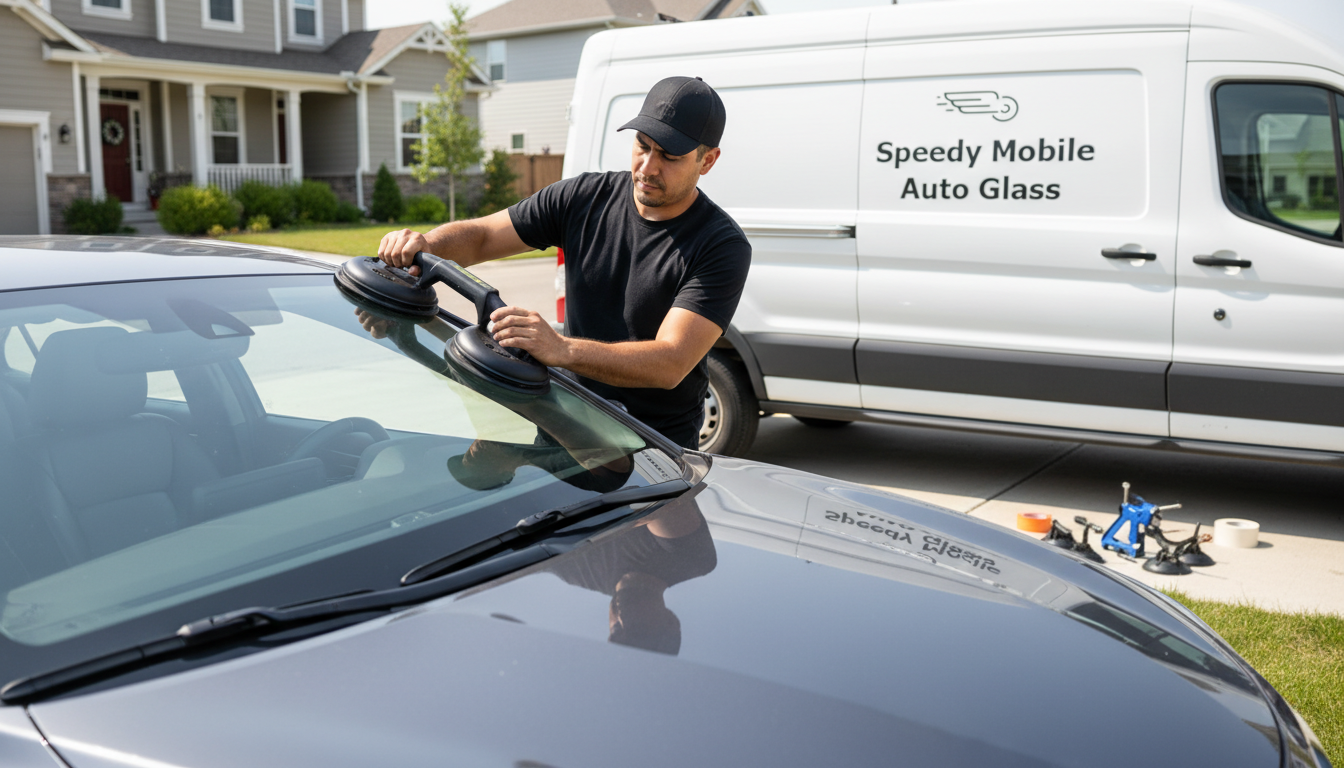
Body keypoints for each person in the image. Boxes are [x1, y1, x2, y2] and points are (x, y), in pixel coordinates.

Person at [378, 76, 752, 449]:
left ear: (708, 161)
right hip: (568, 425)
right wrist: (425, 244)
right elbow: (483, 236)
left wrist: (562, 349)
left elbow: (671, 361)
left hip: (655, 450)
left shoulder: (721, 245)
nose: (648, 166)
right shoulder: (584, 197)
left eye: (670, 156)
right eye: (642, 145)